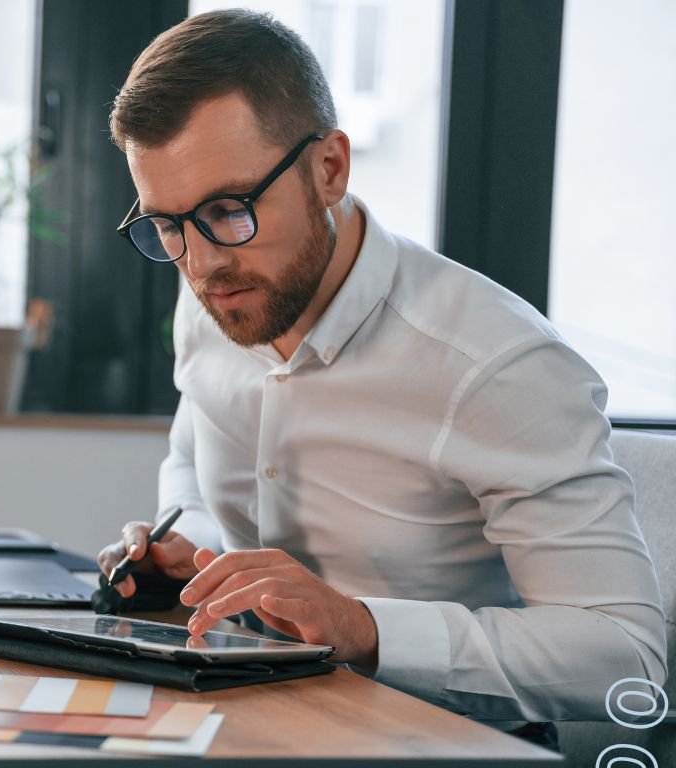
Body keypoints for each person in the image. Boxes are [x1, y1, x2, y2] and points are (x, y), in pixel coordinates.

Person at [96, 9, 666, 727]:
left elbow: (625, 656)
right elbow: (194, 458)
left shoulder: (496, 365)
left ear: (329, 169)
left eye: (229, 208)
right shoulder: (218, 293)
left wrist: (365, 627)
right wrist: (196, 553)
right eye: (168, 225)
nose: (203, 262)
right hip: (241, 721)